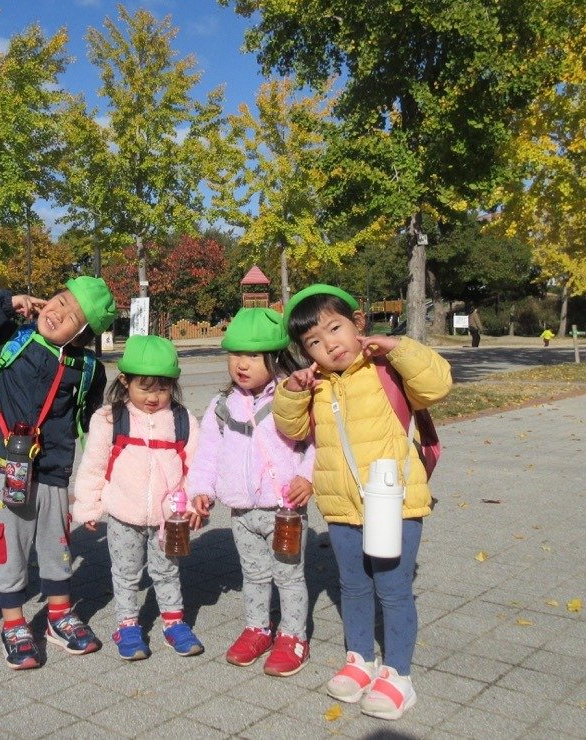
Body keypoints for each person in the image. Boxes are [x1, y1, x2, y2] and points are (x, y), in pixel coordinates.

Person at [274, 284, 452, 721]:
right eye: (314, 341)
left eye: (335, 329)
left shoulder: (387, 369)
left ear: (357, 323)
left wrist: (399, 348)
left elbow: (437, 385)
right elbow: (292, 430)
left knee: (393, 590)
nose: (329, 345)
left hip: (395, 502)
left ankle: (399, 675)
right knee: (352, 586)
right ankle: (359, 659)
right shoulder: (316, 385)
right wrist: (293, 392)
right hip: (341, 506)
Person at [0, 276, 115, 669]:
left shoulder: (87, 368)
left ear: (82, 333)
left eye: (72, 315)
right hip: (5, 465)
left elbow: (91, 421)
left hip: (53, 471)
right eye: (59, 300)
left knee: (57, 546)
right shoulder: (11, 340)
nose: (58, 311)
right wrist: (7, 302)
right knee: (10, 545)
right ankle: (14, 624)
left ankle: (59, 616)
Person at [188, 307, 315, 676]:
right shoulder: (222, 405)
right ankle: (258, 628)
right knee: (255, 574)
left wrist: (307, 476)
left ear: (275, 358)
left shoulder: (293, 396)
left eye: (253, 356)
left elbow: (316, 441)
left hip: (284, 510)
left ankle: (293, 635)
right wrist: (201, 488)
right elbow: (208, 452)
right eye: (235, 355)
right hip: (242, 512)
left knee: (289, 576)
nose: (241, 364)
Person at [73, 335, 205, 661]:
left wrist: (192, 503)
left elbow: (196, 466)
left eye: (162, 389)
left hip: (168, 518)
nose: (153, 397)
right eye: (145, 388)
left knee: (167, 570)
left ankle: (174, 621)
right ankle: (127, 624)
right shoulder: (109, 419)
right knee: (126, 572)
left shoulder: (182, 420)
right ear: (125, 381)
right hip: (123, 513)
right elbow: (93, 466)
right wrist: (89, 506)